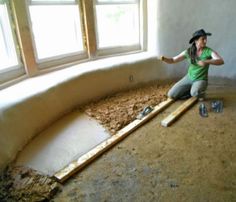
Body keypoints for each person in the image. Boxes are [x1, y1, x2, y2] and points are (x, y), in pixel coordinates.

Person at [160, 29, 224, 100]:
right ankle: (192, 89)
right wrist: (164, 59)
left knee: (195, 93)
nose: (205, 41)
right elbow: (173, 60)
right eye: (203, 39)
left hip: (201, 79)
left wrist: (206, 61)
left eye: (206, 39)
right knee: (171, 94)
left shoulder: (208, 51)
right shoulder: (189, 51)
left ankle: (198, 91)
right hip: (189, 77)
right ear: (196, 41)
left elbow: (220, 61)